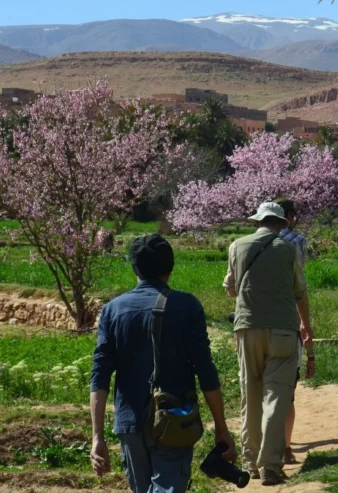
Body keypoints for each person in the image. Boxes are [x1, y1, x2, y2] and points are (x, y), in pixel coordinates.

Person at [90, 234, 236, 493]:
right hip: (174, 419)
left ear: (134, 267)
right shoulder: (186, 306)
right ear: (170, 267)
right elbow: (206, 370)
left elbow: (99, 375)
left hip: (130, 422)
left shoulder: (113, 310)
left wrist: (97, 437)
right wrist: (221, 428)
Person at [224, 202, 313, 486]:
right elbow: (299, 291)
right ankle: (270, 465)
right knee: (278, 396)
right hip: (284, 330)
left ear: (257, 222)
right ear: (281, 224)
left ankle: (249, 462)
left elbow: (231, 287)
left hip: (247, 328)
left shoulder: (237, 246)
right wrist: (307, 328)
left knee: (250, 392)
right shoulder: (290, 250)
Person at [273, 198, 314, 467]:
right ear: (288, 216)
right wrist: (305, 325)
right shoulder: (296, 242)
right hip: (288, 320)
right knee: (286, 389)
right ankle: (285, 447)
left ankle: (260, 450)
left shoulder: (247, 244)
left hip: (255, 323)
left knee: (258, 389)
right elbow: (299, 282)